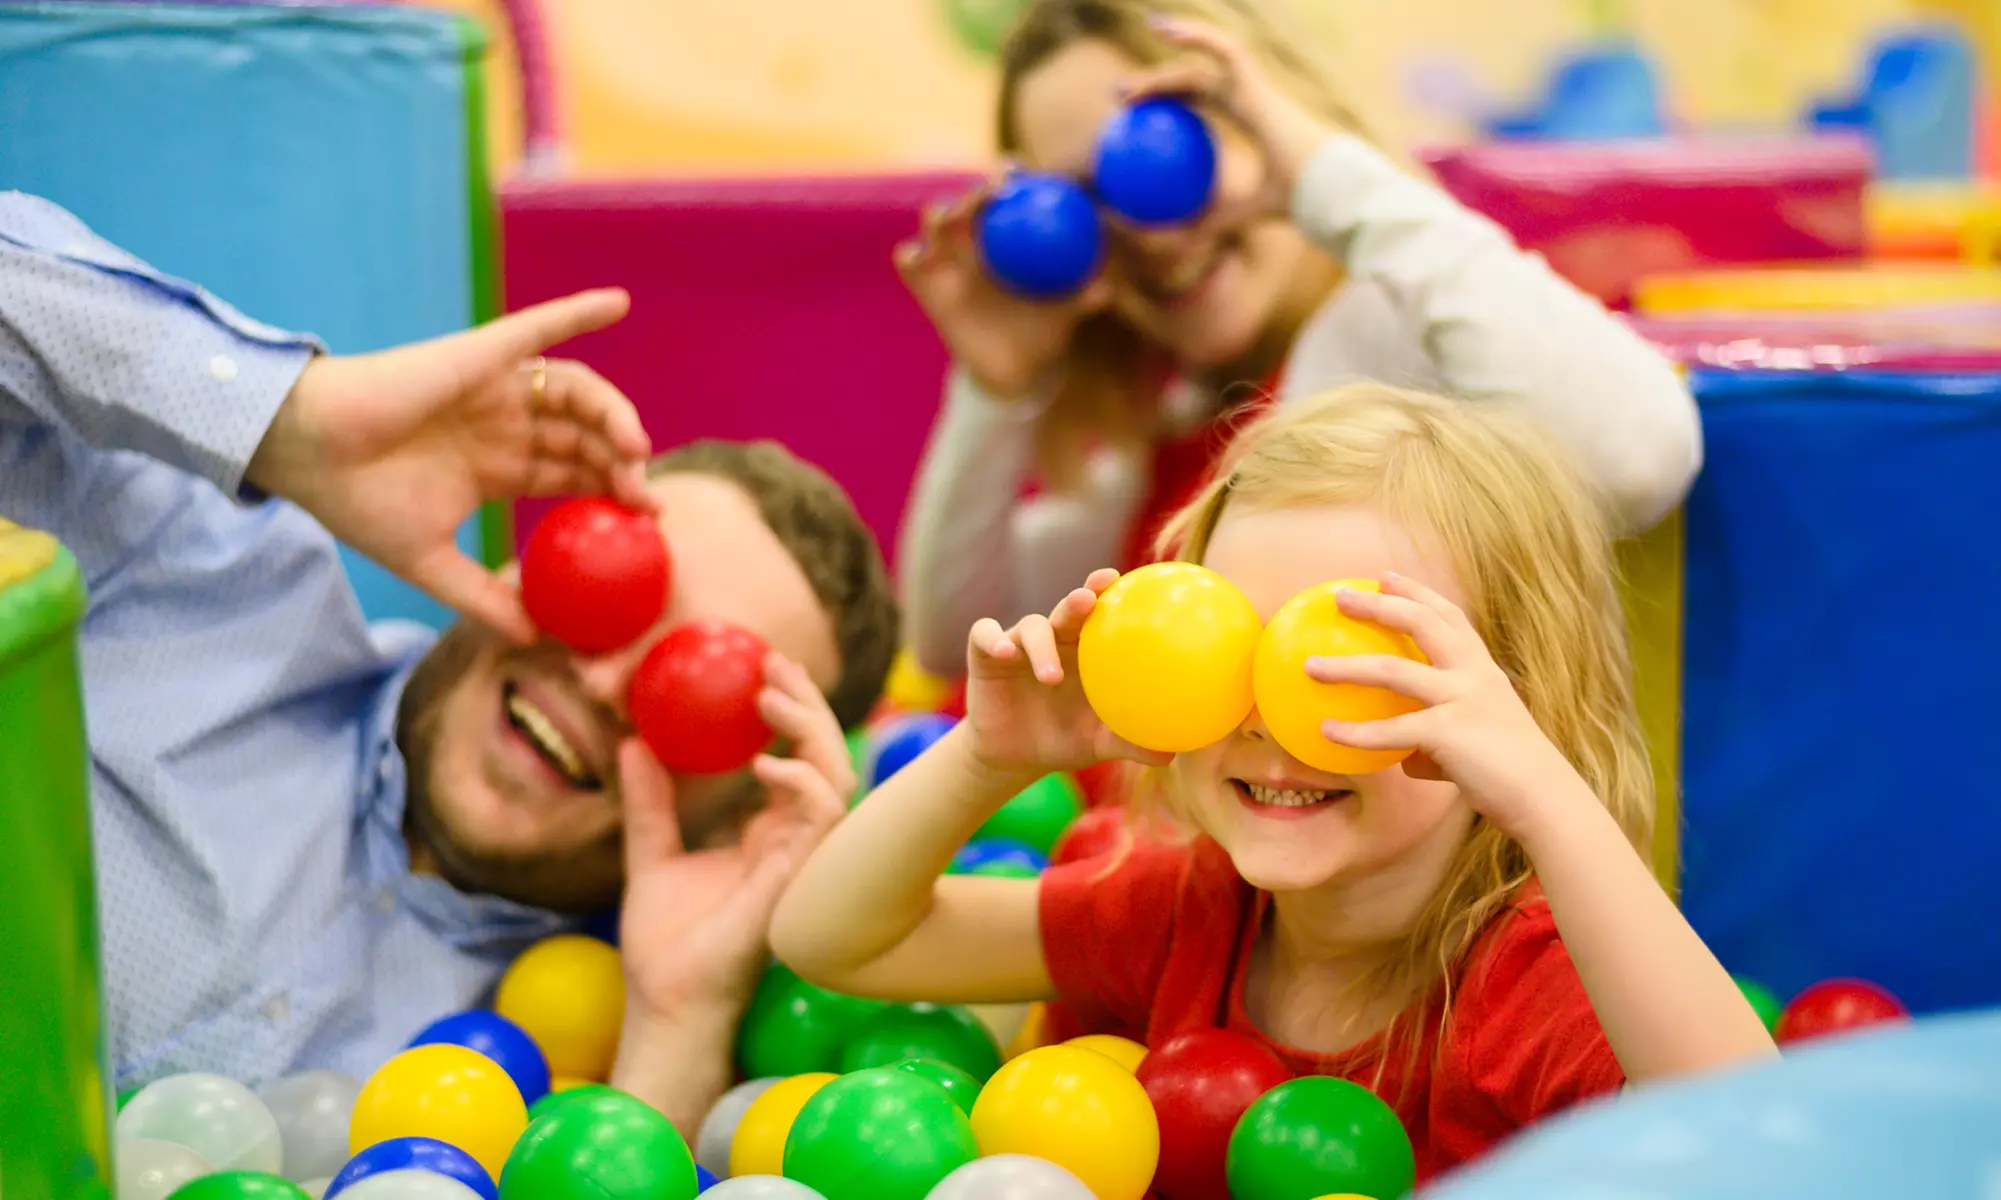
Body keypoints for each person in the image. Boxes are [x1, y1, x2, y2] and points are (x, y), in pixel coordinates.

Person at [0, 191, 897, 1134]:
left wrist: (679, 1023)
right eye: (607, 586)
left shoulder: (580, 1075)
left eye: (697, 697)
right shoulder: (204, 585)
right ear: (524, 555)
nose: (600, 683)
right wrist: (290, 419)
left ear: (737, 820)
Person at [771, 383, 1773, 1183]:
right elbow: (832, 940)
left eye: (1345, 666)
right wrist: (987, 759)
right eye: (1227, 652)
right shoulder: (1183, 913)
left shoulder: (1528, 983)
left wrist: (1547, 798)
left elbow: (1767, 1149)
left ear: (1508, 717)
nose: (1263, 716)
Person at [896, 0, 1703, 678]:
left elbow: (1639, 457)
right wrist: (994, 393)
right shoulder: (1170, 436)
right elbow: (955, 640)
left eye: (1160, 146)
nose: (1146, 233)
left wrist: (1322, 180)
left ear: (1268, 124)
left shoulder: (1405, 346)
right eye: (1074, 200)